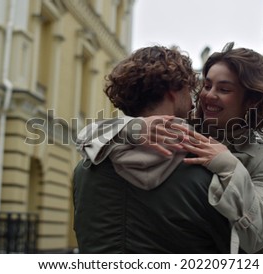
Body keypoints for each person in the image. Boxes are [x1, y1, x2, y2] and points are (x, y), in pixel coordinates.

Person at [75, 42, 263, 253]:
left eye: (224, 89)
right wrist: (133, 128)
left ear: (252, 100)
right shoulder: (180, 124)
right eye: (206, 85)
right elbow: (86, 137)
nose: (207, 96)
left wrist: (229, 166)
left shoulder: (261, 155)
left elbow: (258, 236)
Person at [73, 45, 236, 253]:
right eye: (189, 90)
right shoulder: (205, 171)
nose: (193, 102)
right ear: (173, 93)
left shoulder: (85, 168)